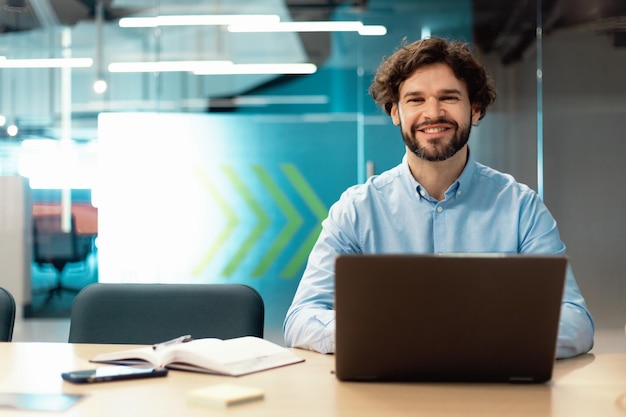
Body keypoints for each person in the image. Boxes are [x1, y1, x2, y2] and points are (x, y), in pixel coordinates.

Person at [283, 36, 594, 359]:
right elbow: (302, 317)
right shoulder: (357, 210)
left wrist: (473, 340)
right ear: (394, 112)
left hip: (491, 392)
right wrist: (385, 337)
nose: (433, 113)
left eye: (448, 97)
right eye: (416, 100)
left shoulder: (520, 208)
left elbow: (575, 320)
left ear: (474, 108)